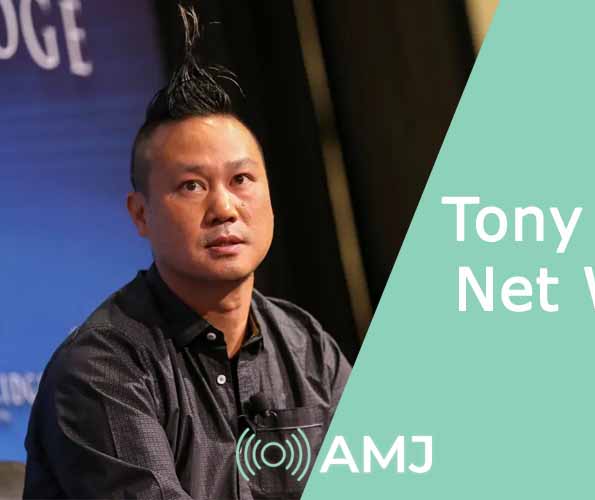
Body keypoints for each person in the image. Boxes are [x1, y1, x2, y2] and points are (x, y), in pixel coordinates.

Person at [22, 7, 351, 499]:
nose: (224, 208)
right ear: (141, 214)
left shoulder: (307, 346)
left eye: (241, 179)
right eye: (192, 186)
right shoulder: (101, 370)